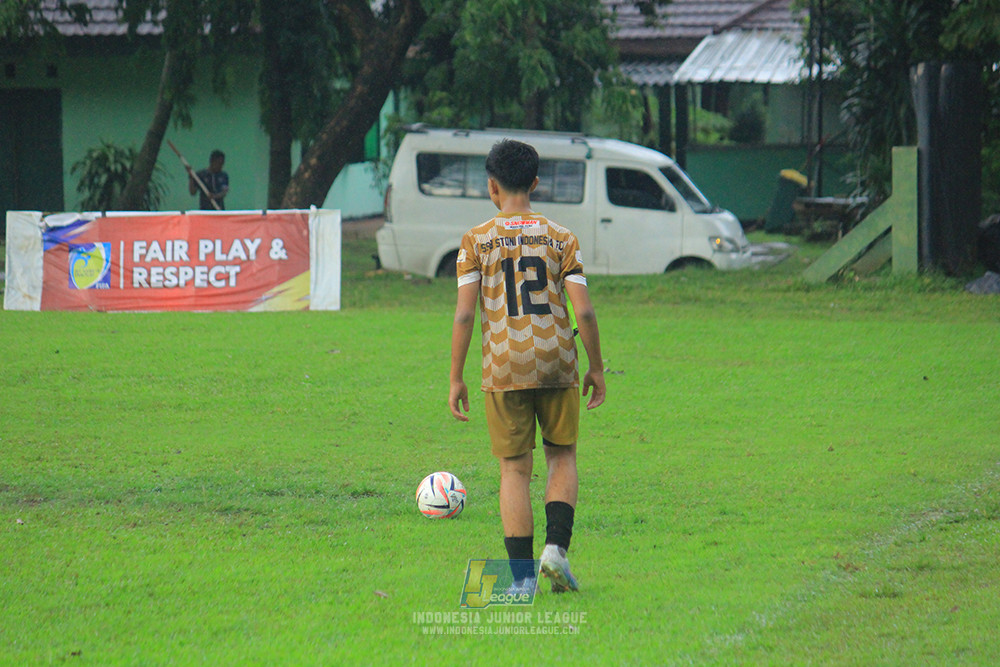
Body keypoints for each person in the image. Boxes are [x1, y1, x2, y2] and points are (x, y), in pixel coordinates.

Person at [448, 138, 606, 593]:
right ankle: (555, 553)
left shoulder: (475, 241)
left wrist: (456, 376)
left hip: (503, 365)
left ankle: (519, 580)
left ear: (492, 187)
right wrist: (595, 367)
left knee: (514, 470)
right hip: (557, 358)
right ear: (535, 184)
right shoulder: (561, 237)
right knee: (562, 456)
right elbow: (587, 312)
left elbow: (463, 314)